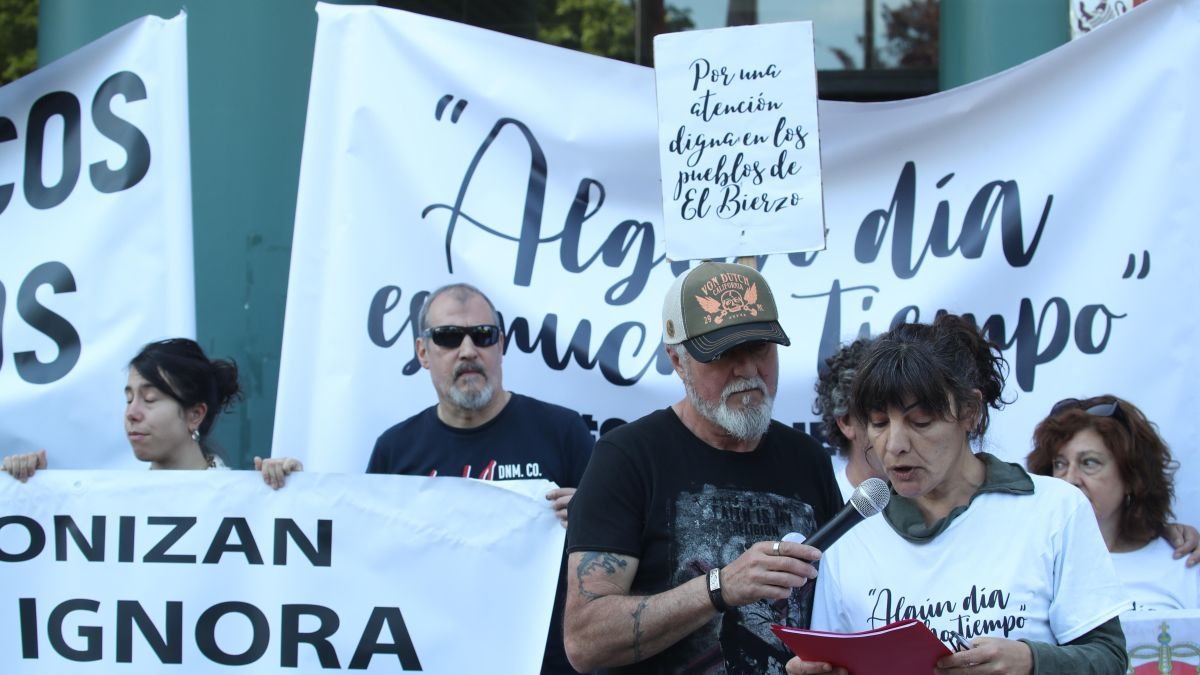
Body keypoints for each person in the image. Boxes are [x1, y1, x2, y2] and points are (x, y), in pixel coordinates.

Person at [788, 314, 1129, 675]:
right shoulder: (850, 532)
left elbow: (1109, 659)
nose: (895, 444)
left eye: (920, 421)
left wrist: (1030, 661)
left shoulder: (1054, 508)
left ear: (970, 411)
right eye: (879, 423)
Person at [564, 261, 842, 674]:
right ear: (677, 361)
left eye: (760, 349)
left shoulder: (808, 458)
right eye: (724, 354)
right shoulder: (627, 457)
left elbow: (837, 607)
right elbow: (585, 641)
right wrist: (720, 587)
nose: (748, 371)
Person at [366, 282, 594, 675]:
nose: (468, 350)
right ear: (423, 352)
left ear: (500, 345)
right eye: (448, 337)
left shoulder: (563, 432)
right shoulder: (395, 450)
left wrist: (590, 519)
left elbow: (616, 551)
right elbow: (364, 560)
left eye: (483, 335)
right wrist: (286, 492)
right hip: (431, 660)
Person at [3, 338, 301, 485]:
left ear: (195, 415)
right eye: (128, 399)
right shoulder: (112, 505)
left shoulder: (244, 501)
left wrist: (290, 490)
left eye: (150, 399)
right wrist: (30, 489)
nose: (132, 413)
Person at [1027, 395, 1199, 610]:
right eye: (1060, 464)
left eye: (1089, 462)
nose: (1070, 479)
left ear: (1131, 478)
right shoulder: (1030, 562)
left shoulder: (1184, 564)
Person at [813, 337, 884, 499]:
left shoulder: (931, 502)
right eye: (882, 421)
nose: (898, 439)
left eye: (913, 421)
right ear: (846, 422)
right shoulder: (827, 504)